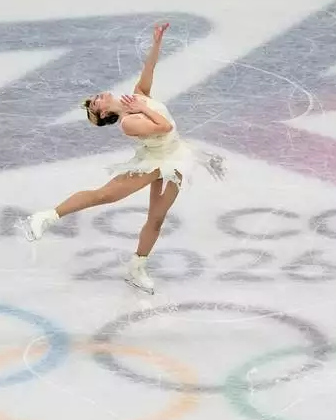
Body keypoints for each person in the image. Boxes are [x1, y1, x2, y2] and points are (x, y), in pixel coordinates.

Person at [18, 21, 225, 294]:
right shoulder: (128, 123)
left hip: (176, 157)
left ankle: (137, 268)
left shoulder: (137, 96)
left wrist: (157, 43)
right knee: (105, 195)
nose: (98, 98)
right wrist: (143, 108)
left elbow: (149, 70)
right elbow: (164, 127)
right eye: (96, 103)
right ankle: (45, 217)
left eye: (94, 98)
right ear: (105, 114)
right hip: (154, 161)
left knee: (157, 218)